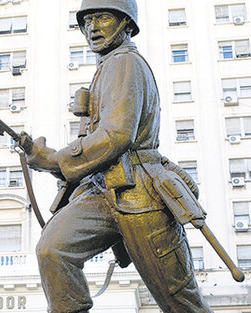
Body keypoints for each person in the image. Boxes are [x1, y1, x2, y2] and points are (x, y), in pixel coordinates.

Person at [20, 0, 214, 312]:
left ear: (126, 23)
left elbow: (116, 135)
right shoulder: (108, 65)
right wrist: (51, 162)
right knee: (53, 249)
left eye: (104, 17)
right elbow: (97, 143)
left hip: (140, 194)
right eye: (88, 20)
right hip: (100, 190)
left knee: (180, 302)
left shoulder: (125, 63)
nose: (93, 27)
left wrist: (56, 160)